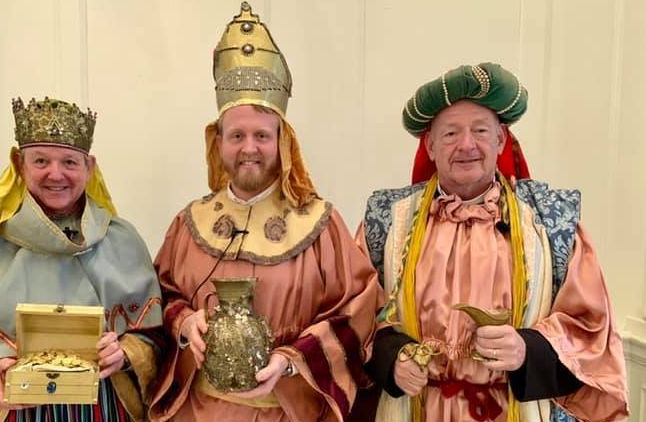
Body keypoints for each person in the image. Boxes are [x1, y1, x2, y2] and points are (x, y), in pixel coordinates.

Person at [147, 3, 381, 421]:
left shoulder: (320, 224)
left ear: (282, 142)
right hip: (198, 411)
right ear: (218, 143)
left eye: (261, 135)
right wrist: (184, 323)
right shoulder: (189, 223)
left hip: (285, 410)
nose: (249, 148)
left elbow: (356, 313)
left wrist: (292, 360)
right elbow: (158, 297)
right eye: (236, 135)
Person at [360, 63, 630, 421]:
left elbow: (590, 328)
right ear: (430, 145)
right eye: (451, 133)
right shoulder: (386, 221)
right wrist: (391, 358)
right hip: (414, 409)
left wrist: (528, 350)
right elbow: (354, 314)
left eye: (480, 130)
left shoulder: (551, 223)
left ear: (501, 140)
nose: (466, 145)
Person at [0, 97, 163, 421]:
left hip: (103, 408)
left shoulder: (122, 241)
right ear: (20, 165)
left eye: (69, 162)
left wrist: (125, 354)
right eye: (41, 161)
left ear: (89, 167)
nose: (55, 174)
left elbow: (157, 337)